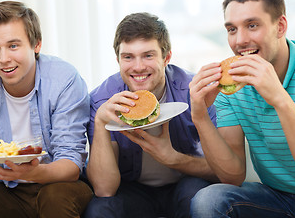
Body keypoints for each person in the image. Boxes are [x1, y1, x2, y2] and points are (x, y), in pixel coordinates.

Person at [0, 1, 93, 218]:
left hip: (59, 183)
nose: (3, 59)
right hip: (4, 189)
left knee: (55, 198)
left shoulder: (64, 79)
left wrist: (35, 173)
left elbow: (71, 164)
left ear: (36, 44)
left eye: (13, 45)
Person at [189, 0, 295, 217]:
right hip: (273, 196)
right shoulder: (230, 86)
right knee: (208, 201)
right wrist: (200, 116)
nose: (239, 41)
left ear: (280, 26)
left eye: (252, 25)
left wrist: (279, 97)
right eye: (232, 29)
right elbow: (232, 175)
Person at [83, 12, 218, 218]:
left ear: (167, 57)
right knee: (99, 209)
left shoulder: (194, 92)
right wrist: (102, 122)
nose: (138, 67)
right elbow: (104, 189)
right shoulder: (102, 100)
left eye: (148, 55)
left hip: (186, 182)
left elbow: (221, 170)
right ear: (118, 60)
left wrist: (174, 159)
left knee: (198, 198)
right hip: (133, 189)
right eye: (128, 57)